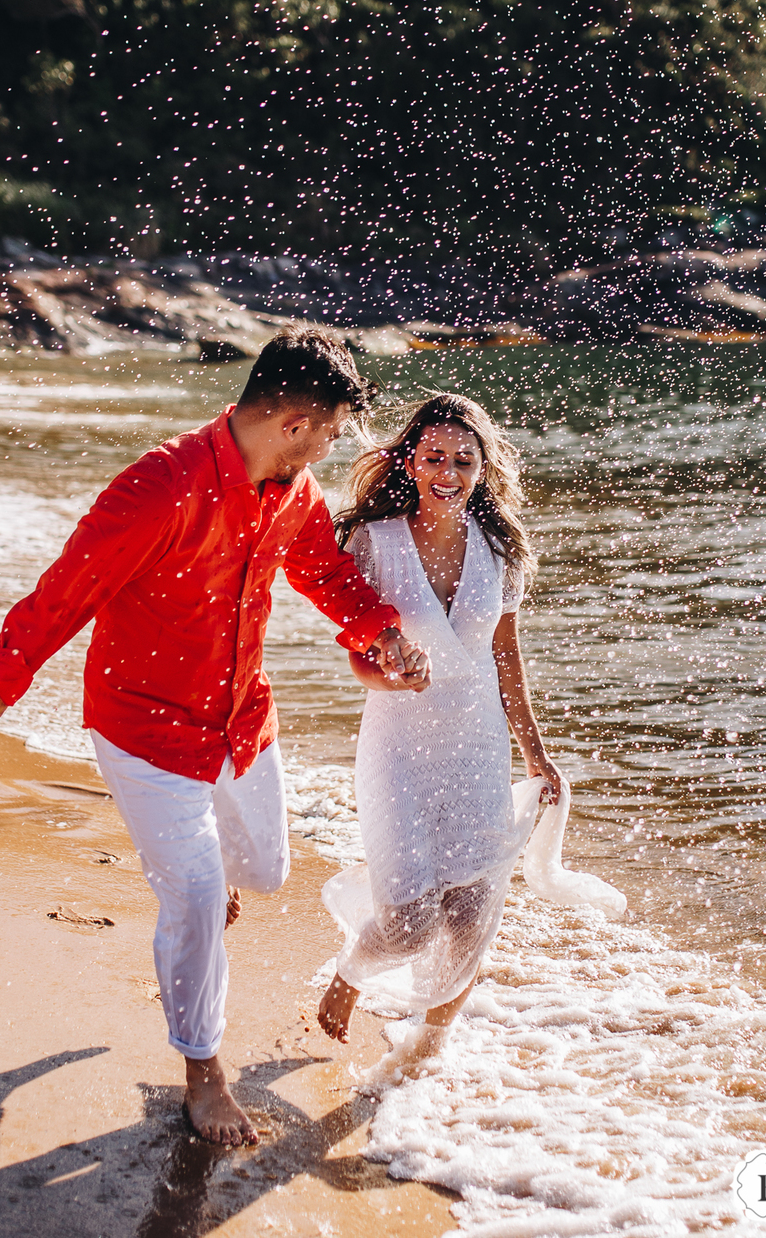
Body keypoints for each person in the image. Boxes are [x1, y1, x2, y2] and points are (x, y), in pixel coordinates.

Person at [0, 328, 431, 1147]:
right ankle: (202, 1073)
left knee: (265, 871)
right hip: (144, 728)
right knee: (196, 899)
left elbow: (322, 572)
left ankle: (189, 878)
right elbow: (64, 595)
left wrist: (379, 633)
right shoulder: (160, 488)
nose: (333, 450)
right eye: (333, 432)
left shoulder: (290, 491)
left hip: (240, 722)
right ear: (296, 424)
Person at [317, 393, 561, 1048]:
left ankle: (422, 1059)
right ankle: (350, 974)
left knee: (470, 918)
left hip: (478, 745)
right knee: (409, 920)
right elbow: (359, 661)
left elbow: (505, 655)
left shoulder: (500, 550)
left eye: (463, 459)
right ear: (410, 463)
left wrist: (535, 753)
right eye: (434, 457)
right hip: (397, 744)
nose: (447, 472)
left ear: (483, 469)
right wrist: (389, 673)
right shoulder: (375, 542)